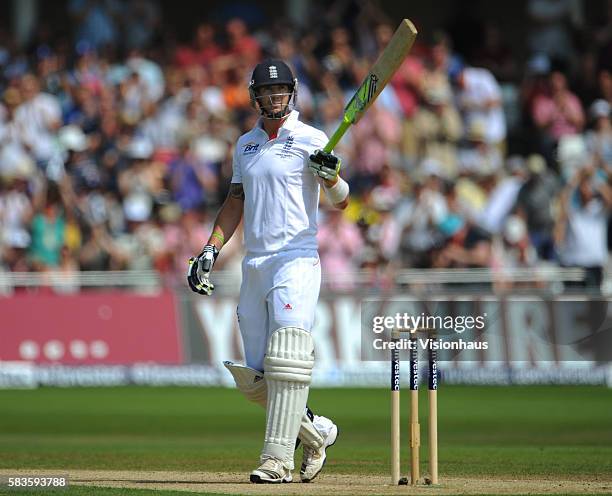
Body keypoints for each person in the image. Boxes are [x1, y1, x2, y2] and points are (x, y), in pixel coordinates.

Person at [187, 60, 347, 483]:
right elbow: (235, 201)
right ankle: (318, 433)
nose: (275, 97)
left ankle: (276, 460)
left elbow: (343, 201)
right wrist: (210, 249)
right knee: (257, 379)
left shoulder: (313, 138)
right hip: (254, 262)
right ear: (255, 96)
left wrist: (332, 179)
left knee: (288, 359)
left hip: (296, 257)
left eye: (281, 90)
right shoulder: (245, 145)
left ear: (291, 92)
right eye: (267, 90)